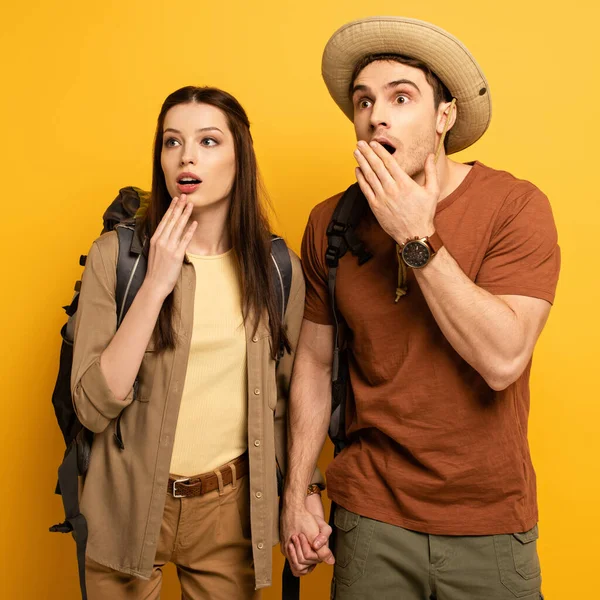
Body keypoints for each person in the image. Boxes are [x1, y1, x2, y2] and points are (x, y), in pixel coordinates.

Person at [281, 16, 559, 600]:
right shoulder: (329, 222)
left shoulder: (515, 207)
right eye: (364, 101)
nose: (376, 115)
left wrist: (418, 237)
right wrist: (300, 489)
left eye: (401, 97)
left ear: (444, 116)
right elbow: (310, 363)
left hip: (489, 524)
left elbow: (504, 358)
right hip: (370, 516)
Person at [71, 85, 324, 599]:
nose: (186, 156)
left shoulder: (277, 269)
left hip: (228, 510)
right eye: (171, 142)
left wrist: (307, 492)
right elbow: (93, 408)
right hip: (127, 500)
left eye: (209, 141)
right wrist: (157, 284)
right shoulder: (116, 258)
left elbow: (291, 400)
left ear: (240, 157)